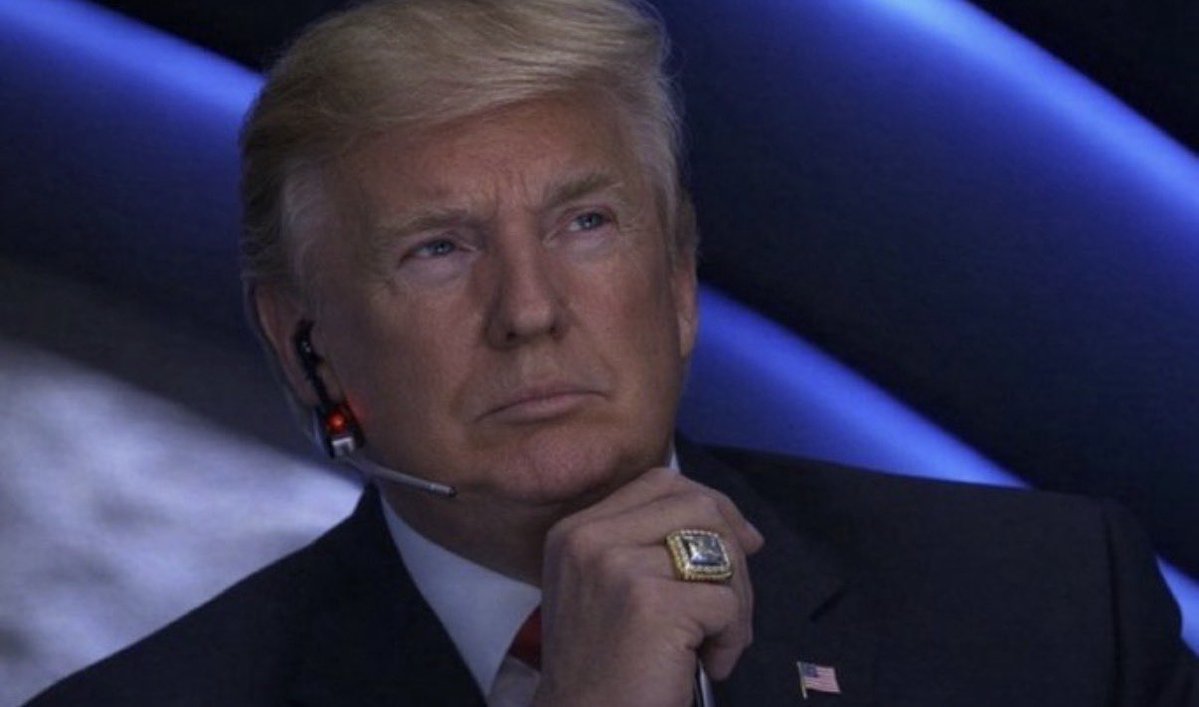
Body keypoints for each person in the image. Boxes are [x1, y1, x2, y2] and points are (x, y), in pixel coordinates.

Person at [27, 0, 1197, 705]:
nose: (528, 309)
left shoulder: (1048, 605)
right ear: (305, 347)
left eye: (585, 223)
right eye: (436, 249)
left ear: (677, 279)